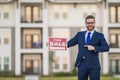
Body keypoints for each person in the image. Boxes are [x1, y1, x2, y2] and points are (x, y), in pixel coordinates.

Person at [67, 15, 109, 80]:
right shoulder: (79, 34)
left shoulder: (100, 35)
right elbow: (69, 43)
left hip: (94, 65)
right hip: (82, 64)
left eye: (92, 23)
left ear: (94, 23)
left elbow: (106, 47)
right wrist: (51, 44)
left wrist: (94, 48)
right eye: (88, 23)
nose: (90, 24)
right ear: (85, 24)